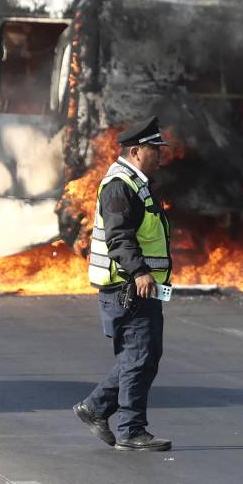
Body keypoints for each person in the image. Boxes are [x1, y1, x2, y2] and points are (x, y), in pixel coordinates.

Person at [73, 116, 174, 451]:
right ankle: (130, 430)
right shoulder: (120, 185)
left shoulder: (136, 182)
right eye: (154, 149)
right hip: (127, 289)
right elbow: (119, 238)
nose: (160, 154)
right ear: (135, 151)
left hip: (137, 289)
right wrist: (140, 271)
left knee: (142, 354)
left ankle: (96, 408)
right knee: (139, 355)